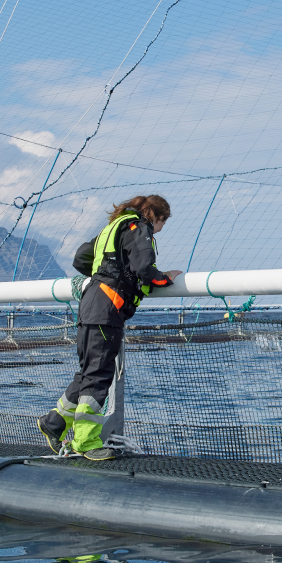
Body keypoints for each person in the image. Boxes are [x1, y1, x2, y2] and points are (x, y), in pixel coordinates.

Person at [39, 195, 181, 460]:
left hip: (91, 303)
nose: (160, 230)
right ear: (157, 217)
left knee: (88, 372)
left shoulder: (112, 228)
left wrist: (107, 271)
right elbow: (144, 268)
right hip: (108, 309)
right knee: (98, 376)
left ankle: (55, 422)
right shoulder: (139, 227)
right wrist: (166, 278)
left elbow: (82, 259)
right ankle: (86, 442)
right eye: (162, 224)